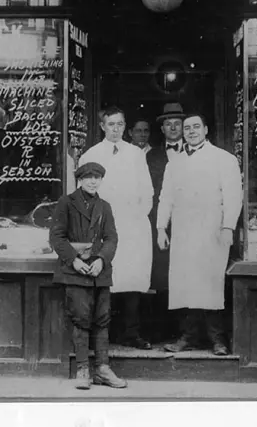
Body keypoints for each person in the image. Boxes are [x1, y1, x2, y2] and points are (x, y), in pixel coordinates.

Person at [156, 113, 243, 356]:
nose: (191, 131)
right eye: (187, 128)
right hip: (183, 230)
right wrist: (161, 227)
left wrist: (228, 227)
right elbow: (166, 197)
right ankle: (188, 336)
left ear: (206, 129)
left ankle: (218, 339)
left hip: (212, 230)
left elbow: (234, 195)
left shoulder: (223, 159)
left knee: (211, 282)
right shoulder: (175, 162)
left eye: (196, 126)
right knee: (186, 283)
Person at [79, 106, 154, 350]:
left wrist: (138, 216)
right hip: (103, 225)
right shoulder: (91, 153)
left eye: (120, 124)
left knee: (132, 278)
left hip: (132, 225)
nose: (116, 129)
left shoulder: (135, 153)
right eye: (111, 124)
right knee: (106, 278)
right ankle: (104, 335)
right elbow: (84, 193)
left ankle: (131, 333)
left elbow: (147, 190)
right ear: (103, 126)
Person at [49, 161, 127, 390]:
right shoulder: (66, 203)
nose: (93, 181)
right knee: (81, 318)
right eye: (88, 177)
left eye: (97, 177)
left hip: (99, 272)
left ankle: (103, 368)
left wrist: (102, 259)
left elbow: (112, 238)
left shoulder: (105, 206)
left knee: (102, 319)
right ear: (80, 180)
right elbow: (56, 237)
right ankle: (83, 369)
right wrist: (73, 260)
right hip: (75, 271)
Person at [146, 103, 186, 339]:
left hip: (189, 222)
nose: (173, 128)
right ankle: (163, 330)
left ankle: (186, 331)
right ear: (162, 129)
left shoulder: (193, 152)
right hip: (160, 222)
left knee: (186, 273)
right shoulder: (152, 156)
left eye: (177, 124)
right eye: (168, 124)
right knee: (161, 275)